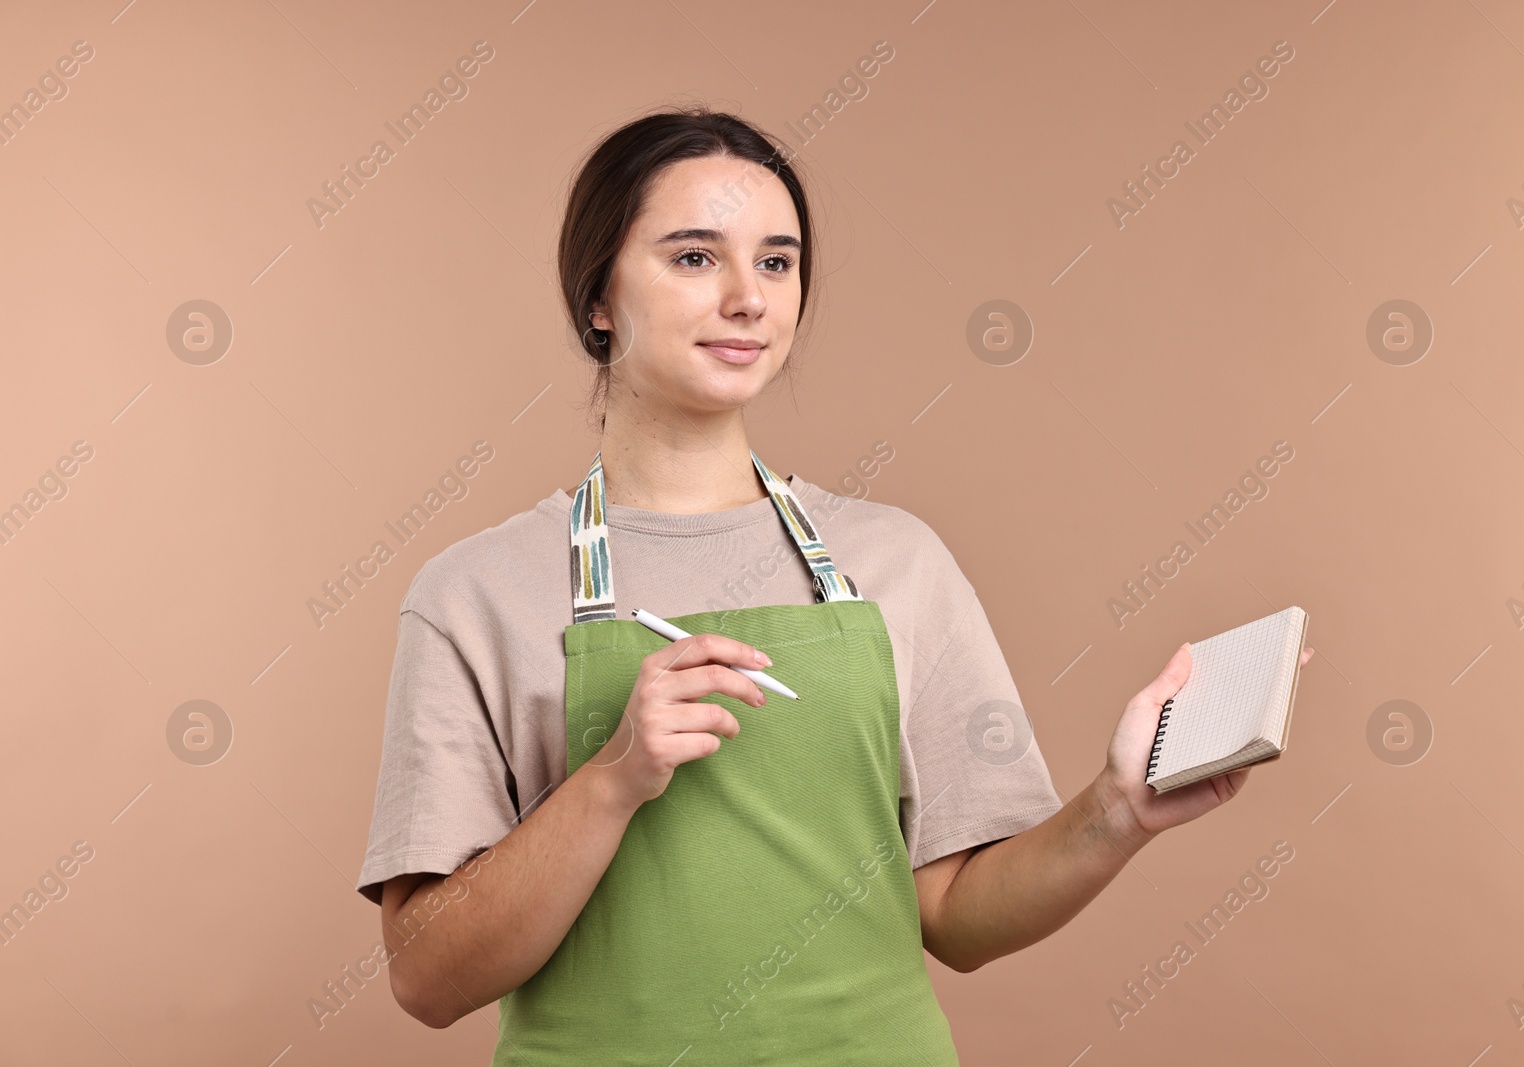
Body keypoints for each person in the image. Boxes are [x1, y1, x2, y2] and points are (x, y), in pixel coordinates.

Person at [356, 106, 1314, 1064]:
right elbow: (427, 978)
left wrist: (1116, 809)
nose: (749, 299)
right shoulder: (476, 594)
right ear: (598, 296)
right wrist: (609, 783)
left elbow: (955, 916)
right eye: (695, 257)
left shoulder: (897, 560)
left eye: (777, 261)